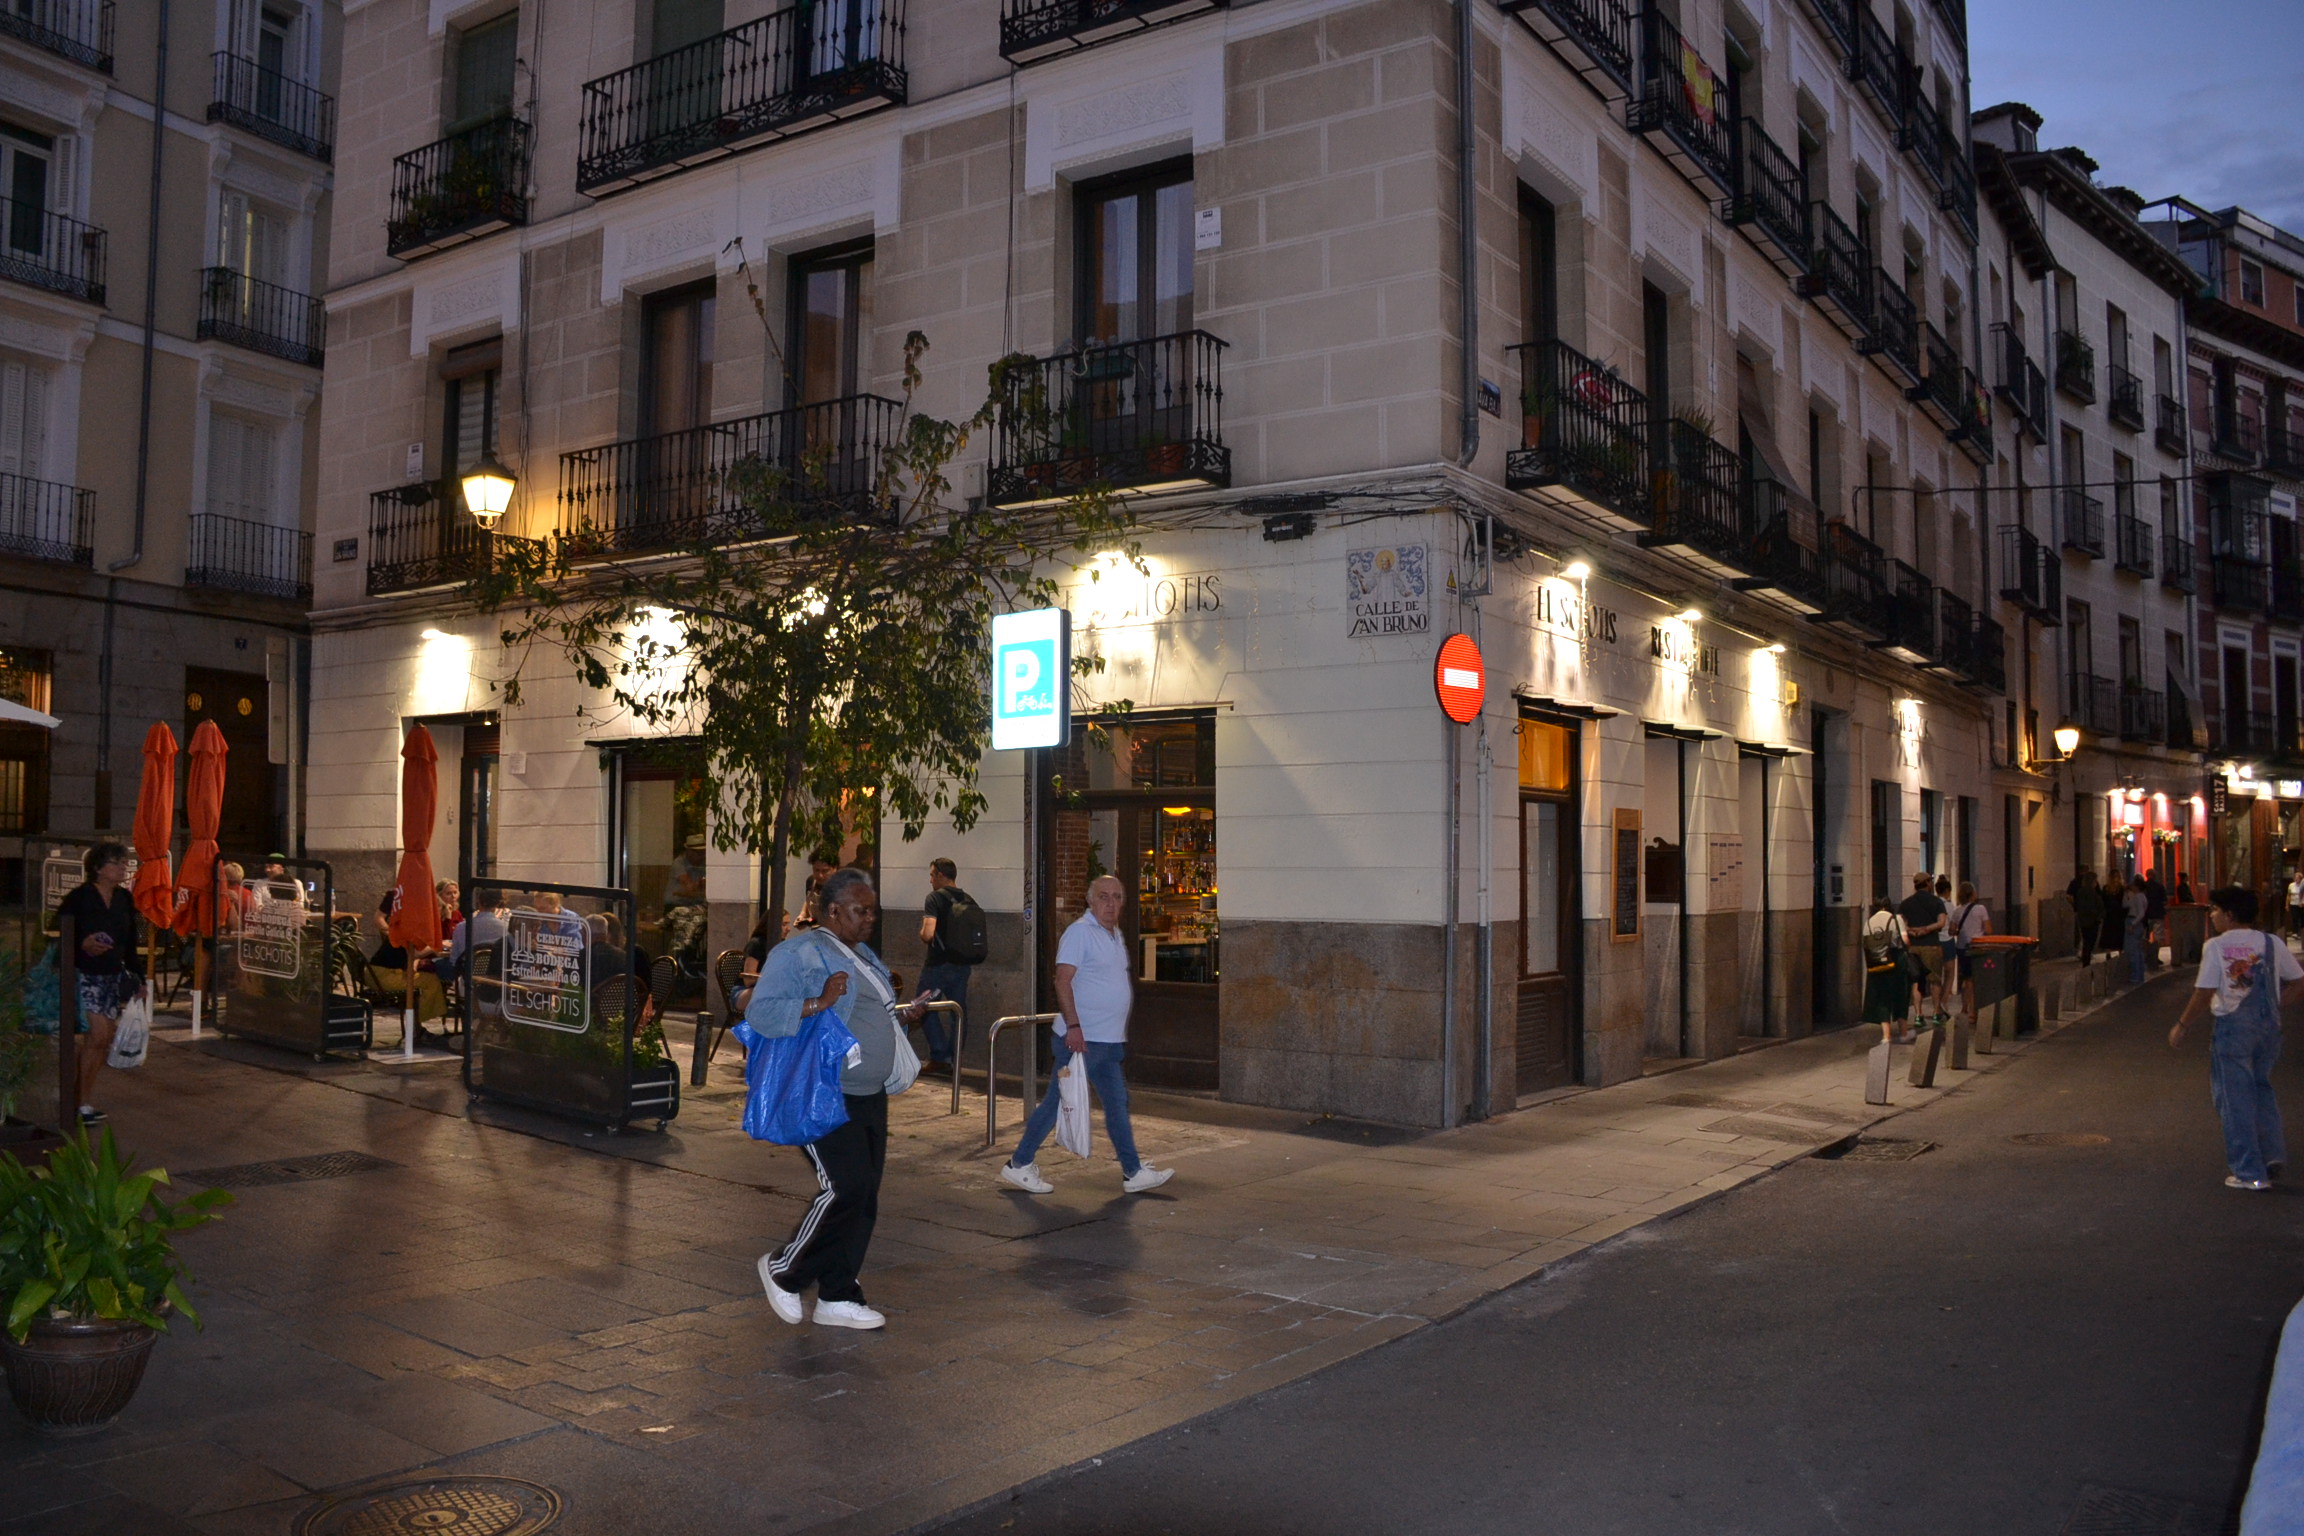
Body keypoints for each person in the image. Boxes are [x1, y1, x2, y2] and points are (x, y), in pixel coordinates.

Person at [749, 867, 940, 1331]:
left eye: (873, 909)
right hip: (823, 1090)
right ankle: (783, 1270)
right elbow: (761, 1011)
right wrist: (818, 1001)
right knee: (846, 1187)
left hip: (868, 1092)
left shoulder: (863, 954)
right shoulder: (797, 952)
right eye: (861, 910)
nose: (870, 917)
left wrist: (905, 1014)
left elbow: (869, 1011)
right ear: (832, 910)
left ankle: (838, 1294)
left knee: (864, 1196)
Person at [1001, 876, 1177, 1196]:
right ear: (1090, 901)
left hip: (1107, 1042)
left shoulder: (1114, 934)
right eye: (1104, 897)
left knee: (1117, 1103)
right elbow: (1062, 981)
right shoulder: (1079, 933)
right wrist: (1074, 1026)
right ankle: (1018, 1164)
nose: (1111, 904)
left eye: (1117, 897)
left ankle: (1133, 1171)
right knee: (1057, 1102)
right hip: (1081, 1041)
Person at [2170, 885, 2304, 1190]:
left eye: (2215, 910)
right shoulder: (2271, 943)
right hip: (2268, 1029)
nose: (2213, 916)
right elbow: (2298, 983)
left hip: (2232, 1029)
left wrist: (2182, 1024)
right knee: (2262, 1089)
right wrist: (2273, 1005)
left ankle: (2249, 1172)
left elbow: (2204, 992)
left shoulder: (2216, 946)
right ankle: (2271, 1155)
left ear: (2229, 915)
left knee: (2233, 1100)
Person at [50, 843, 141, 1128]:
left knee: (101, 1040)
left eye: (125, 863)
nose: (123, 868)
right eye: (117, 863)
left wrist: (139, 979)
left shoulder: (124, 898)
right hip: (84, 973)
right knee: (98, 1034)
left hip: (111, 975)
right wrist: (82, 944)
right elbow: (56, 932)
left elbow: (130, 943)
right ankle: (76, 1101)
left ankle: (79, 1099)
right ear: (99, 868)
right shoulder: (81, 897)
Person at [917, 858, 985, 1073]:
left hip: (937, 965)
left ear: (940, 875)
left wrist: (922, 934)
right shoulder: (968, 899)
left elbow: (928, 933)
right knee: (958, 1012)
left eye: (931, 875)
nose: (930, 880)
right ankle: (954, 1058)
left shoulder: (934, 899)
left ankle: (940, 1056)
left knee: (922, 1007)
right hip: (962, 965)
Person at [1897, 871, 1948, 1025]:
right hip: (1932, 945)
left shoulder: (1906, 903)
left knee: (1915, 982)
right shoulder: (1937, 902)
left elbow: (1902, 924)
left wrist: (1913, 930)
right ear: (1927, 883)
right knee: (1935, 980)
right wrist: (1926, 929)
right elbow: (1941, 922)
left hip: (1913, 947)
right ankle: (1936, 1013)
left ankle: (1918, 1015)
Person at [1860, 898, 1912, 1045]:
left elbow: (1866, 943)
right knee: (1901, 995)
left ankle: (1886, 1036)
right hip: (1896, 961)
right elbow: (1905, 940)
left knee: (1882, 998)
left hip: (1877, 963)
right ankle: (1903, 1033)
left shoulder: (1869, 922)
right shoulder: (1896, 919)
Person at [1947, 882, 1991, 1030]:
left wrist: (1961, 930)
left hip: (1962, 948)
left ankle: (1965, 1008)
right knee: (1975, 980)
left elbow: (1951, 931)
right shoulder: (1981, 909)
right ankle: (1973, 1011)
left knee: (1966, 979)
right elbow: (1989, 929)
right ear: (1973, 894)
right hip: (1978, 947)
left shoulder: (1957, 911)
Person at [2070, 868, 2103, 966]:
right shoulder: (2092, 893)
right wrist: (2098, 916)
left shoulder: (2080, 892)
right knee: (2090, 941)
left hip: (2083, 920)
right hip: (2092, 921)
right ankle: (2087, 960)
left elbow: (2077, 904)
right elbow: (2096, 906)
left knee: (2086, 941)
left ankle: (2086, 961)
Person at [2124, 874, 2150, 986]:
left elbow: (2140, 913)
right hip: (2136, 923)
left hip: (2133, 922)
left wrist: (2133, 924)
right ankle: (2140, 975)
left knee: (2133, 951)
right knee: (2138, 951)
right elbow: (2125, 904)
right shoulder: (2140, 897)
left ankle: (2135, 976)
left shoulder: (2138, 897)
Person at [2143, 870, 2169, 968]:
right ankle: (2155, 956)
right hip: (2158, 914)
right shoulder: (2160, 886)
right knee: (2158, 937)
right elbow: (2164, 900)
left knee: (2145, 937)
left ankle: (2146, 956)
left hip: (2146, 915)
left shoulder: (2144, 887)